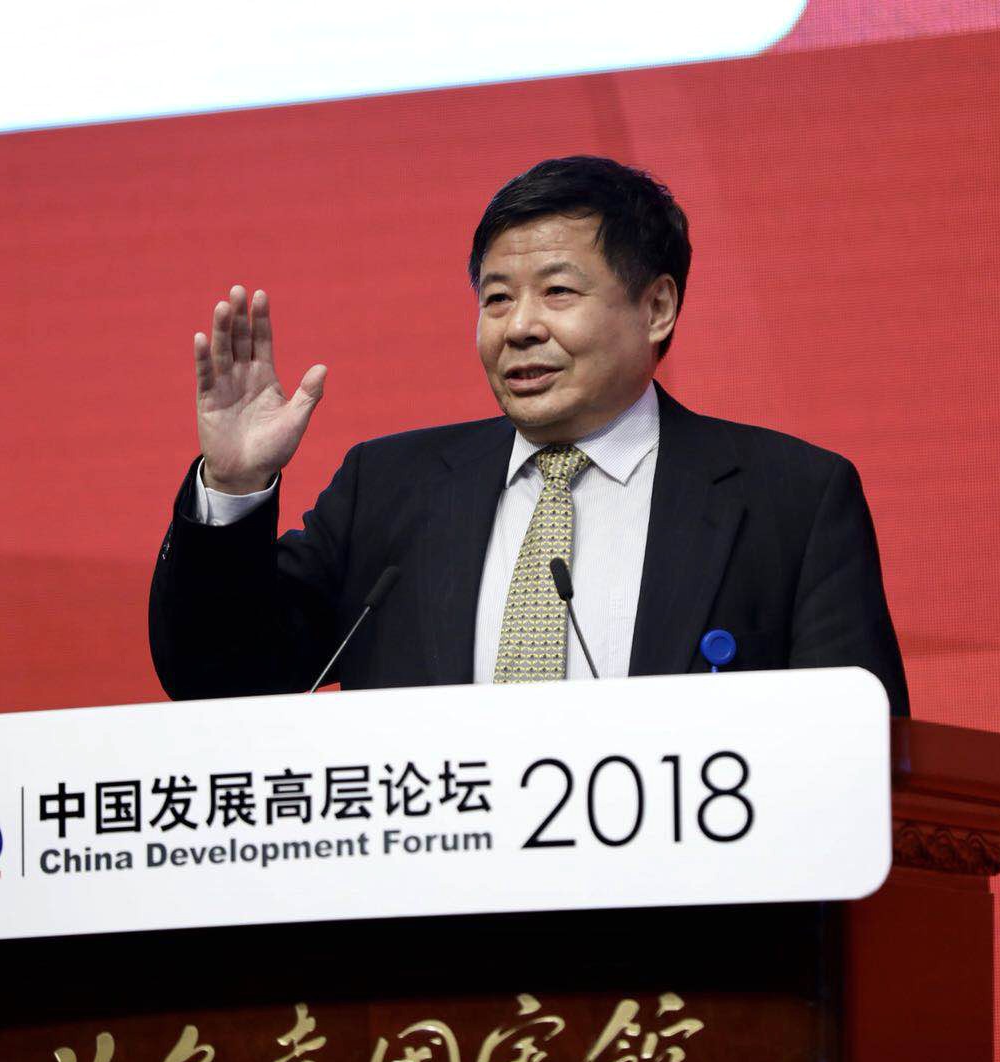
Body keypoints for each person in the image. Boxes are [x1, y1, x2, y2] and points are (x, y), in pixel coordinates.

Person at [148, 156, 909, 716]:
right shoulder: (389, 489)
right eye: (497, 299)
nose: (519, 328)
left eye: (558, 292)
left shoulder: (790, 500)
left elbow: (860, 751)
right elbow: (223, 680)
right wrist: (235, 484)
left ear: (657, 309)